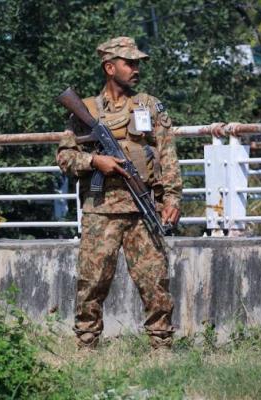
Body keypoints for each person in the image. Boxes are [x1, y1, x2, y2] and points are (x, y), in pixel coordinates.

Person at [56, 37, 182, 350]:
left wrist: (172, 199)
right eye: (130, 63)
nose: (136, 69)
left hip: (143, 210)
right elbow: (65, 158)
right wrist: (94, 160)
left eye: (137, 63)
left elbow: (167, 156)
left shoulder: (150, 106)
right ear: (110, 68)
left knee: (155, 280)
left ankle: (161, 345)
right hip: (101, 211)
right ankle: (86, 345)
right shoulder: (85, 109)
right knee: (92, 282)